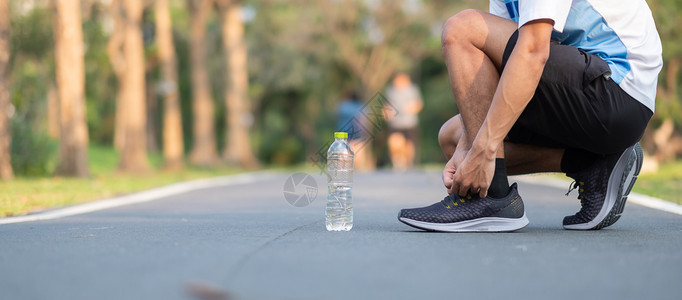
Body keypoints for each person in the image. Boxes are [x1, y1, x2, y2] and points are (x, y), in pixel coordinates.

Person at [398, 0, 662, 232]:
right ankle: (590, 164)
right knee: (454, 138)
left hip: (616, 89)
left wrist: (484, 150)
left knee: (462, 28)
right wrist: (470, 145)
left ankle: (492, 199)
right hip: (581, 91)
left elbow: (533, 51)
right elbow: (500, 68)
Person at [384, 73, 423, 171]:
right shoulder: (390, 90)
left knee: (409, 145)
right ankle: (397, 161)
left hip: (409, 122)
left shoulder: (412, 89)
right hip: (395, 123)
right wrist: (386, 114)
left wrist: (412, 108)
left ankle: (409, 164)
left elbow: (419, 103)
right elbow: (386, 105)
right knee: (394, 141)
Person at [336, 91, 374, 170]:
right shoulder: (361, 106)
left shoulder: (343, 106)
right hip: (358, 132)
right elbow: (365, 121)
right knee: (358, 153)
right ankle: (358, 170)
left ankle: (344, 171)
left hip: (344, 132)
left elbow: (337, 115)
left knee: (344, 153)